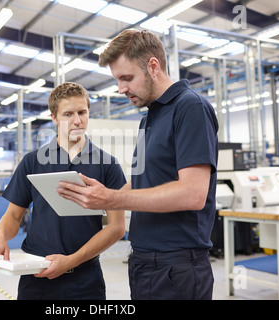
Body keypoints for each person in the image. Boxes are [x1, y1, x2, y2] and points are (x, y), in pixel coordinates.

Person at [57, 29, 219, 300]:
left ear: (153, 66)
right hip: (144, 261)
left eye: (127, 78)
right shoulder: (149, 118)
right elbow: (147, 181)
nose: (121, 89)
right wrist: (108, 196)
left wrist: (112, 197)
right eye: (117, 80)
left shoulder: (190, 107)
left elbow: (193, 194)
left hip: (176, 266)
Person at [0, 82, 126, 300]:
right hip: (36, 279)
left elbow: (117, 228)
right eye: (68, 114)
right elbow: (12, 216)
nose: (77, 120)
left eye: (82, 112)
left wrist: (71, 260)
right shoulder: (32, 162)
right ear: (54, 118)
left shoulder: (107, 164)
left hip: (85, 281)